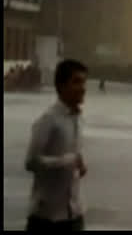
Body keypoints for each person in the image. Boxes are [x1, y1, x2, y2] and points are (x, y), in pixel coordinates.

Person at [25, 59, 89, 231]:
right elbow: (31, 162)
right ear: (61, 86)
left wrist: (80, 164)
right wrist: (66, 161)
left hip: (74, 213)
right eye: (76, 82)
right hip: (46, 218)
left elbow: (74, 156)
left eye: (84, 82)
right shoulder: (48, 120)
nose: (82, 87)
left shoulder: (79, 119)